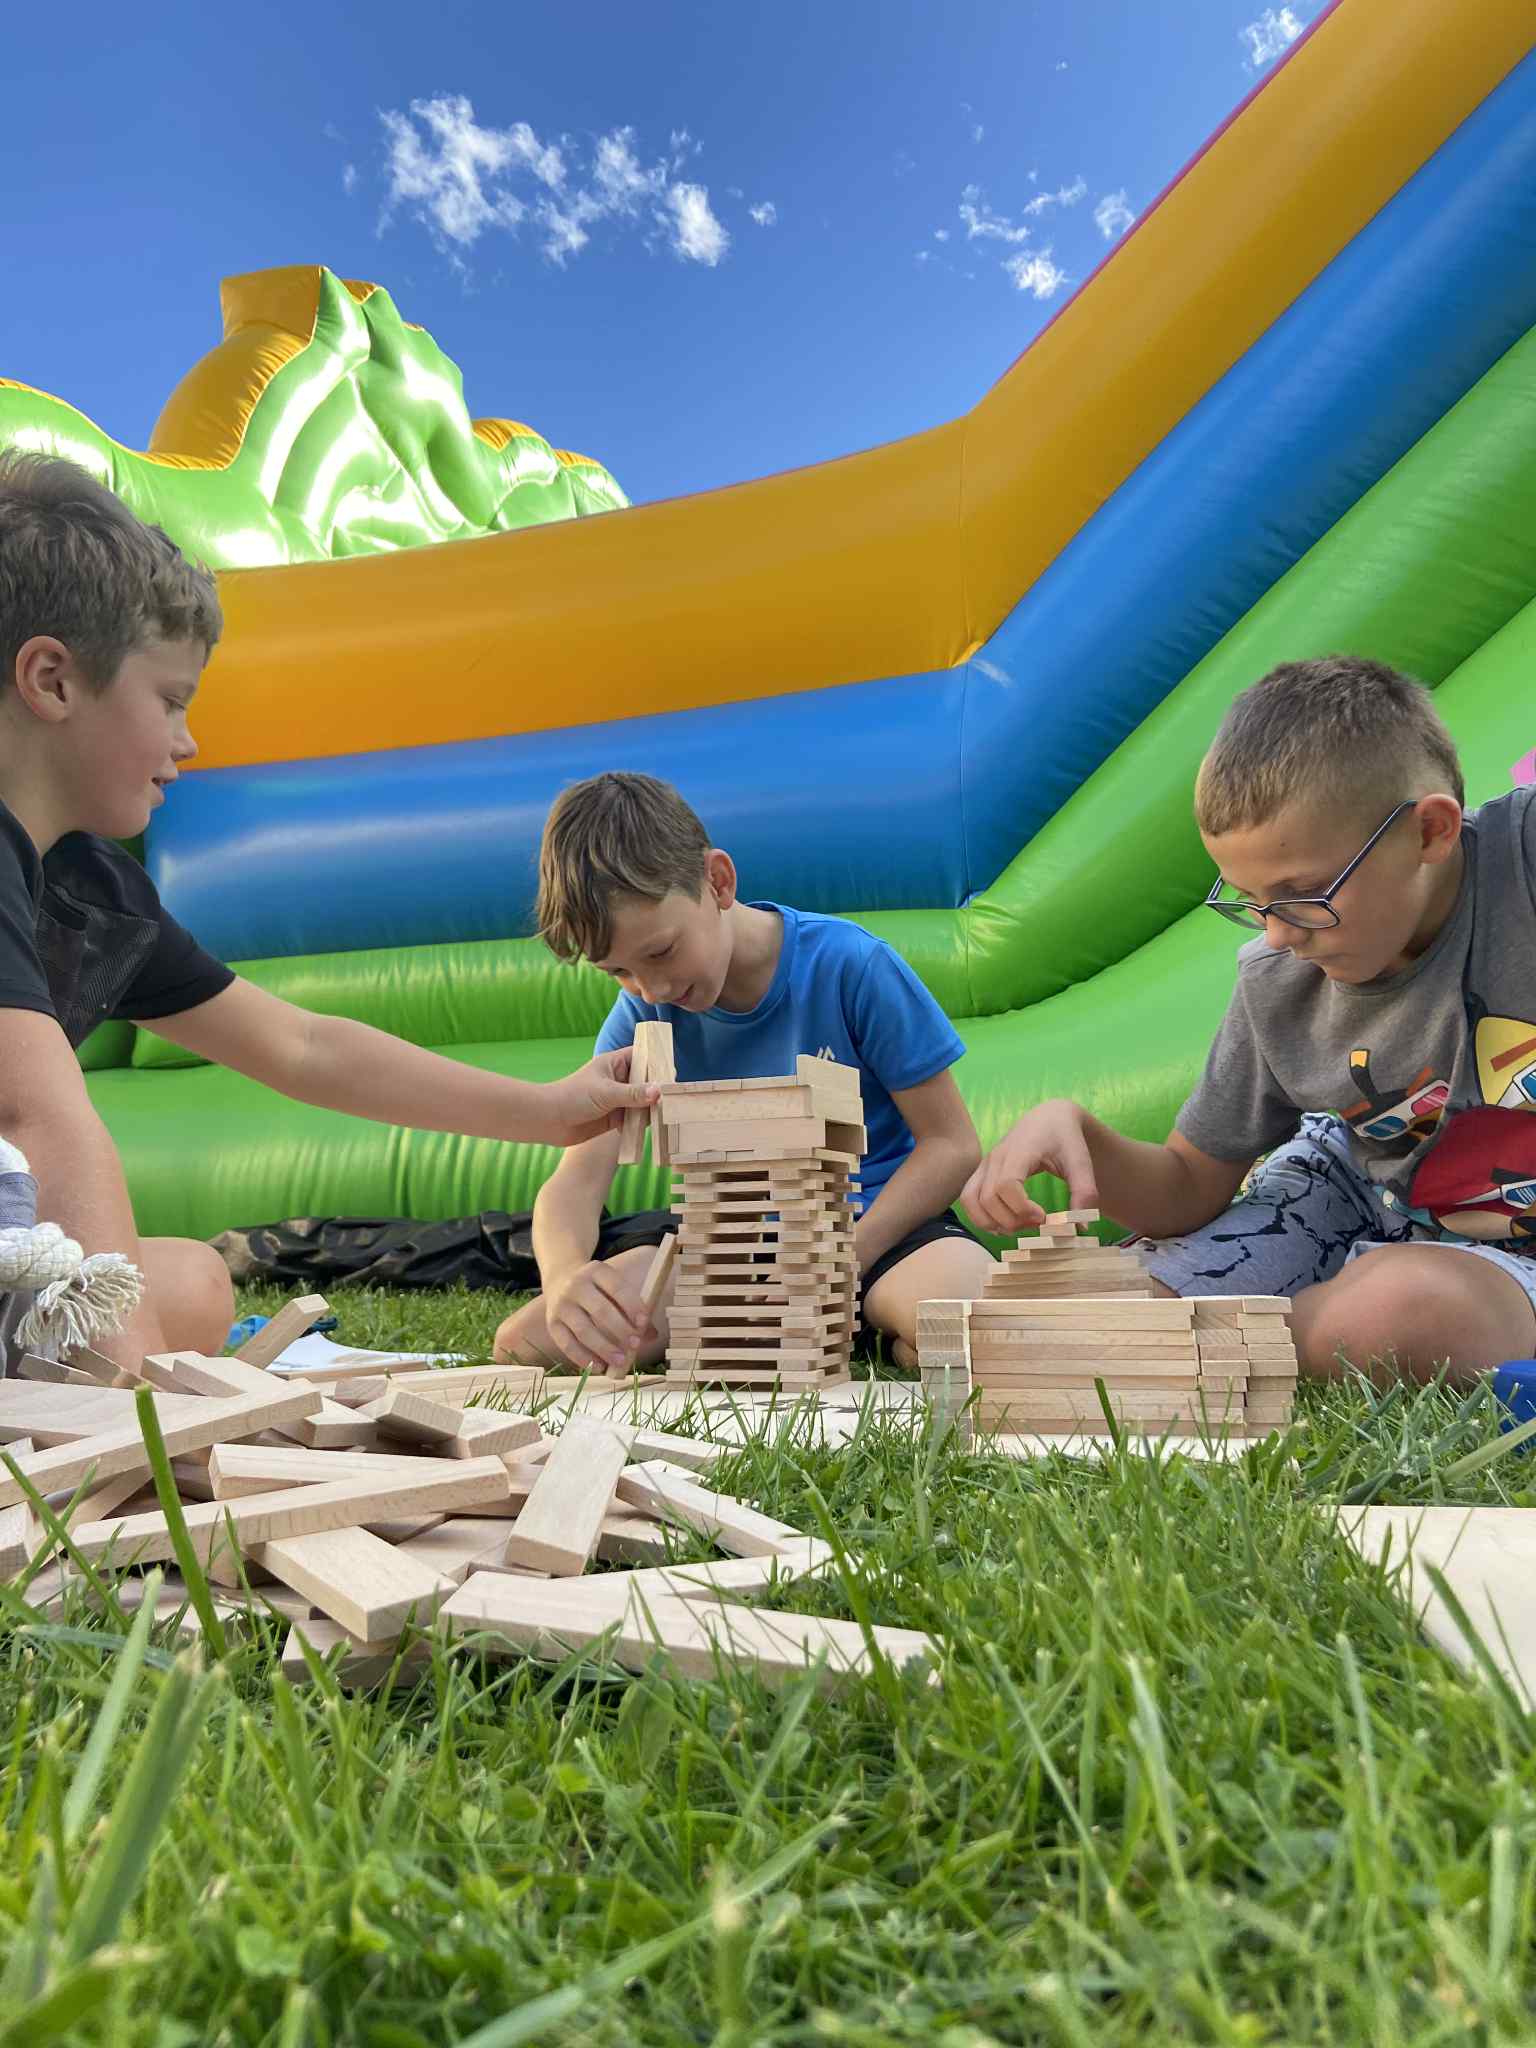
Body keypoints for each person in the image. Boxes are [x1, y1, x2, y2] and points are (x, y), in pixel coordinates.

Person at [0, 453, 655, 1374]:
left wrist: (550, 1113)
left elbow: (304, 1047)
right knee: (117, 1311)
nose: (188, 741)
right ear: (53, 680)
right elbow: (37, 1114)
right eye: (171, 700)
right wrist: (128, 1404)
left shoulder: (91, 889)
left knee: (195, 1283)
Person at [962, 655, 1536, 1384]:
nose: (1278, 933)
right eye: (1251, 901)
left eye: (1302, 895)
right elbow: (1188, 1186)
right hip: (1348, 1187)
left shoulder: (1522, 858)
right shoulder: (1278, 981)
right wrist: (1081, 1136)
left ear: (1430, 833)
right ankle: (1163, 1333)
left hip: (1506, 1250)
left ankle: (1194, 1343)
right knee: (1108, 1305)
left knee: (1401, 1319)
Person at [492, 771, 995, 1371]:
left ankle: (861, 1324)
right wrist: (564, 1276)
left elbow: (952, 1146)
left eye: (661, 952)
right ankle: (840, 1330)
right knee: (527, 1342)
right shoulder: (643, 1014)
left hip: (875, 1231)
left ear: (718, 881)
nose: (652, 988)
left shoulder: (850, 966)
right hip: (728, 1247)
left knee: (974, 1324)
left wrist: (841, 1262)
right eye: (618, 972)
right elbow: (575, 1182)